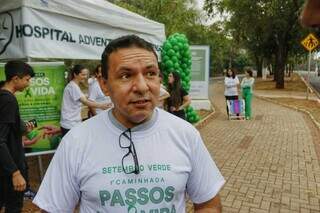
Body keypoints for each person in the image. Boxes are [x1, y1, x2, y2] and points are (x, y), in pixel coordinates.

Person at [33, 35, 225, 212]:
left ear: (159, 79)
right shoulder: (76, 141)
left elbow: (209, 203)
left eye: (150, 73)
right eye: (126, 75)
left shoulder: (185, 134)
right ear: (105, 85)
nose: (142, 87)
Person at [0, 60, 35, 212]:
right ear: (15, 79)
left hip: (4, 167)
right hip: (9, 170)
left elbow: (8, 129)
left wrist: (21, 128)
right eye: (27, 80)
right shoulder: (8, 100)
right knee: (13, 207)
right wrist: (15, 173)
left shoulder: (3, 96)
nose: (29, 83)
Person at [60, 64, 109, 137]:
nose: (85, 77)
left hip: (72, 122)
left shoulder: (74, 86)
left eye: (86, 75)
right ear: (75, 74)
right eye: (83, 75)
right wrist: (101, 105)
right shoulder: (73, 87)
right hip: (70, 123)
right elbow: (85, 101)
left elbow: (83, 97)